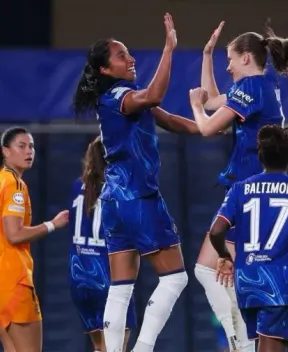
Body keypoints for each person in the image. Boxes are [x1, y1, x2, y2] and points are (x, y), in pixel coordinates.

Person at [72, 13, 201, 352]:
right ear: (104, 69)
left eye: (129, 53)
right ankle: (142, 348)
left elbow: (170, 120)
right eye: (121, 55)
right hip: (137, 196)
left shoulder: (123, 96)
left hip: (114, 199)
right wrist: (169, 50)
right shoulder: (119, 97)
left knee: (121, 286)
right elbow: (155, 96)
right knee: (175, 278)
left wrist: (210, 125)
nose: (130, 59)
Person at [189, 21, 288, 352]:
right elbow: (216, 99)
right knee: (217, 271)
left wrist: (195, 107)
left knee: (209, 270)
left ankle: (241, 341)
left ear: (246, 58)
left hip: (246, 193)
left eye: (229, 60)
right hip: (254, 193)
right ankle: (243, 339)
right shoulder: (264, 85)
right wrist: (206, 55)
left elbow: (207, 124)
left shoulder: (251, 88)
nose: (227, 66)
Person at [209, 125, 288, 352]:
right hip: (280, 283)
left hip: (247, 281)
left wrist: (225, 255)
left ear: (260, 156)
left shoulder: (239, 189)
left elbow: (216, 231)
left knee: (268, 345)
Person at [0, 126, 69, 352]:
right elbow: (14, 233)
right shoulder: (14, 186)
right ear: (5, 151)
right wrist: (52, 225)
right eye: (21, 146)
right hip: (15, 282)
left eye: (31, 146)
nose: (29, 151)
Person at [69, 136, 137, 352]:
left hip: (79, 278)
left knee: (100, 348)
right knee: (117, 347)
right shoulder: (118, 190)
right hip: (108, 278)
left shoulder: (77, 186)